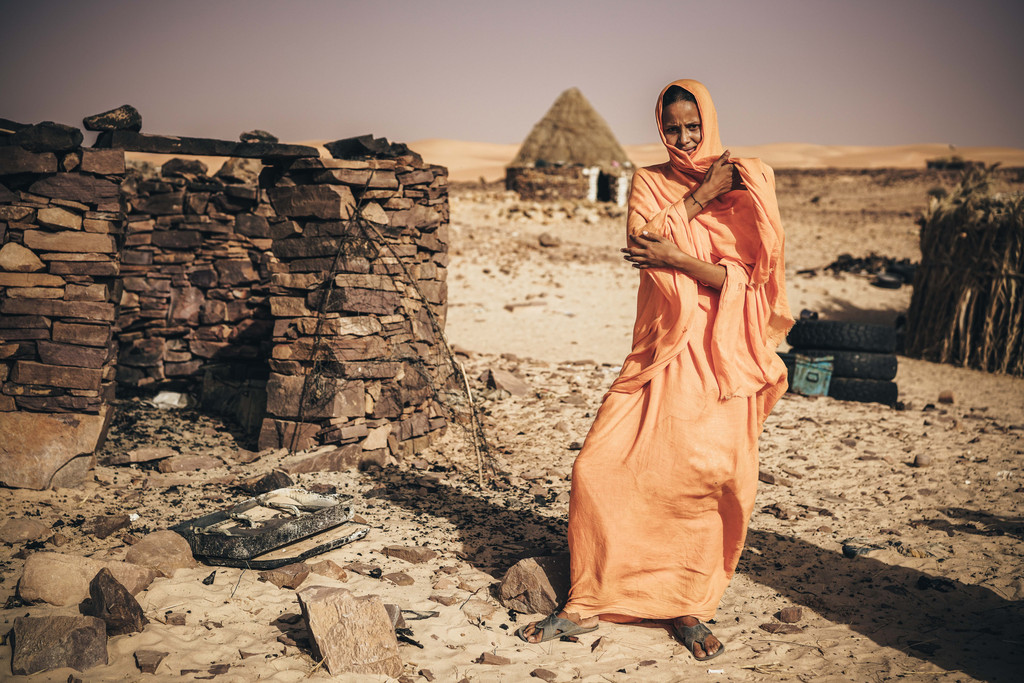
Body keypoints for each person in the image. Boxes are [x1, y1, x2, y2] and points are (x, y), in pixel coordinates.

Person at [518, 79, 793, 661]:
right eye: (672, 128)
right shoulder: (649, 181)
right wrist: (698, 201)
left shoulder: (750, 182)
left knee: (703, 479)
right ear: (659, 127)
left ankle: (686, 605)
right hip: (661, 347)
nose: (684, 138)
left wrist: (679, 257)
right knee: (599, 467)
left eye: (693, 126)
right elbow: (642, 242)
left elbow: (753, 283)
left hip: (722, 357)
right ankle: (588, 598)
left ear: (709, 121)